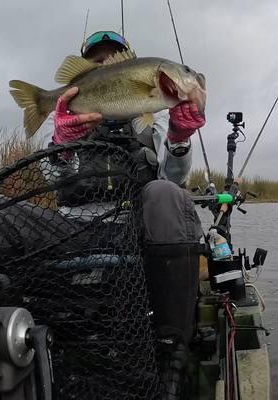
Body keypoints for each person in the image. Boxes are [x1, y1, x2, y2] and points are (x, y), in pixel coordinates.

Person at [37, 31, 206, 399]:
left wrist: (179, 139)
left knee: (165, 194)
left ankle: (171, 349)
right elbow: (50, 179)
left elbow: (174, 181)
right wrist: (62, 146)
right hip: (72, 228)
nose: (103, 65)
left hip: (137, 230)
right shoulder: (65, 116)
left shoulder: (155, 115)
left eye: (111, 58)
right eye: (96, 61)